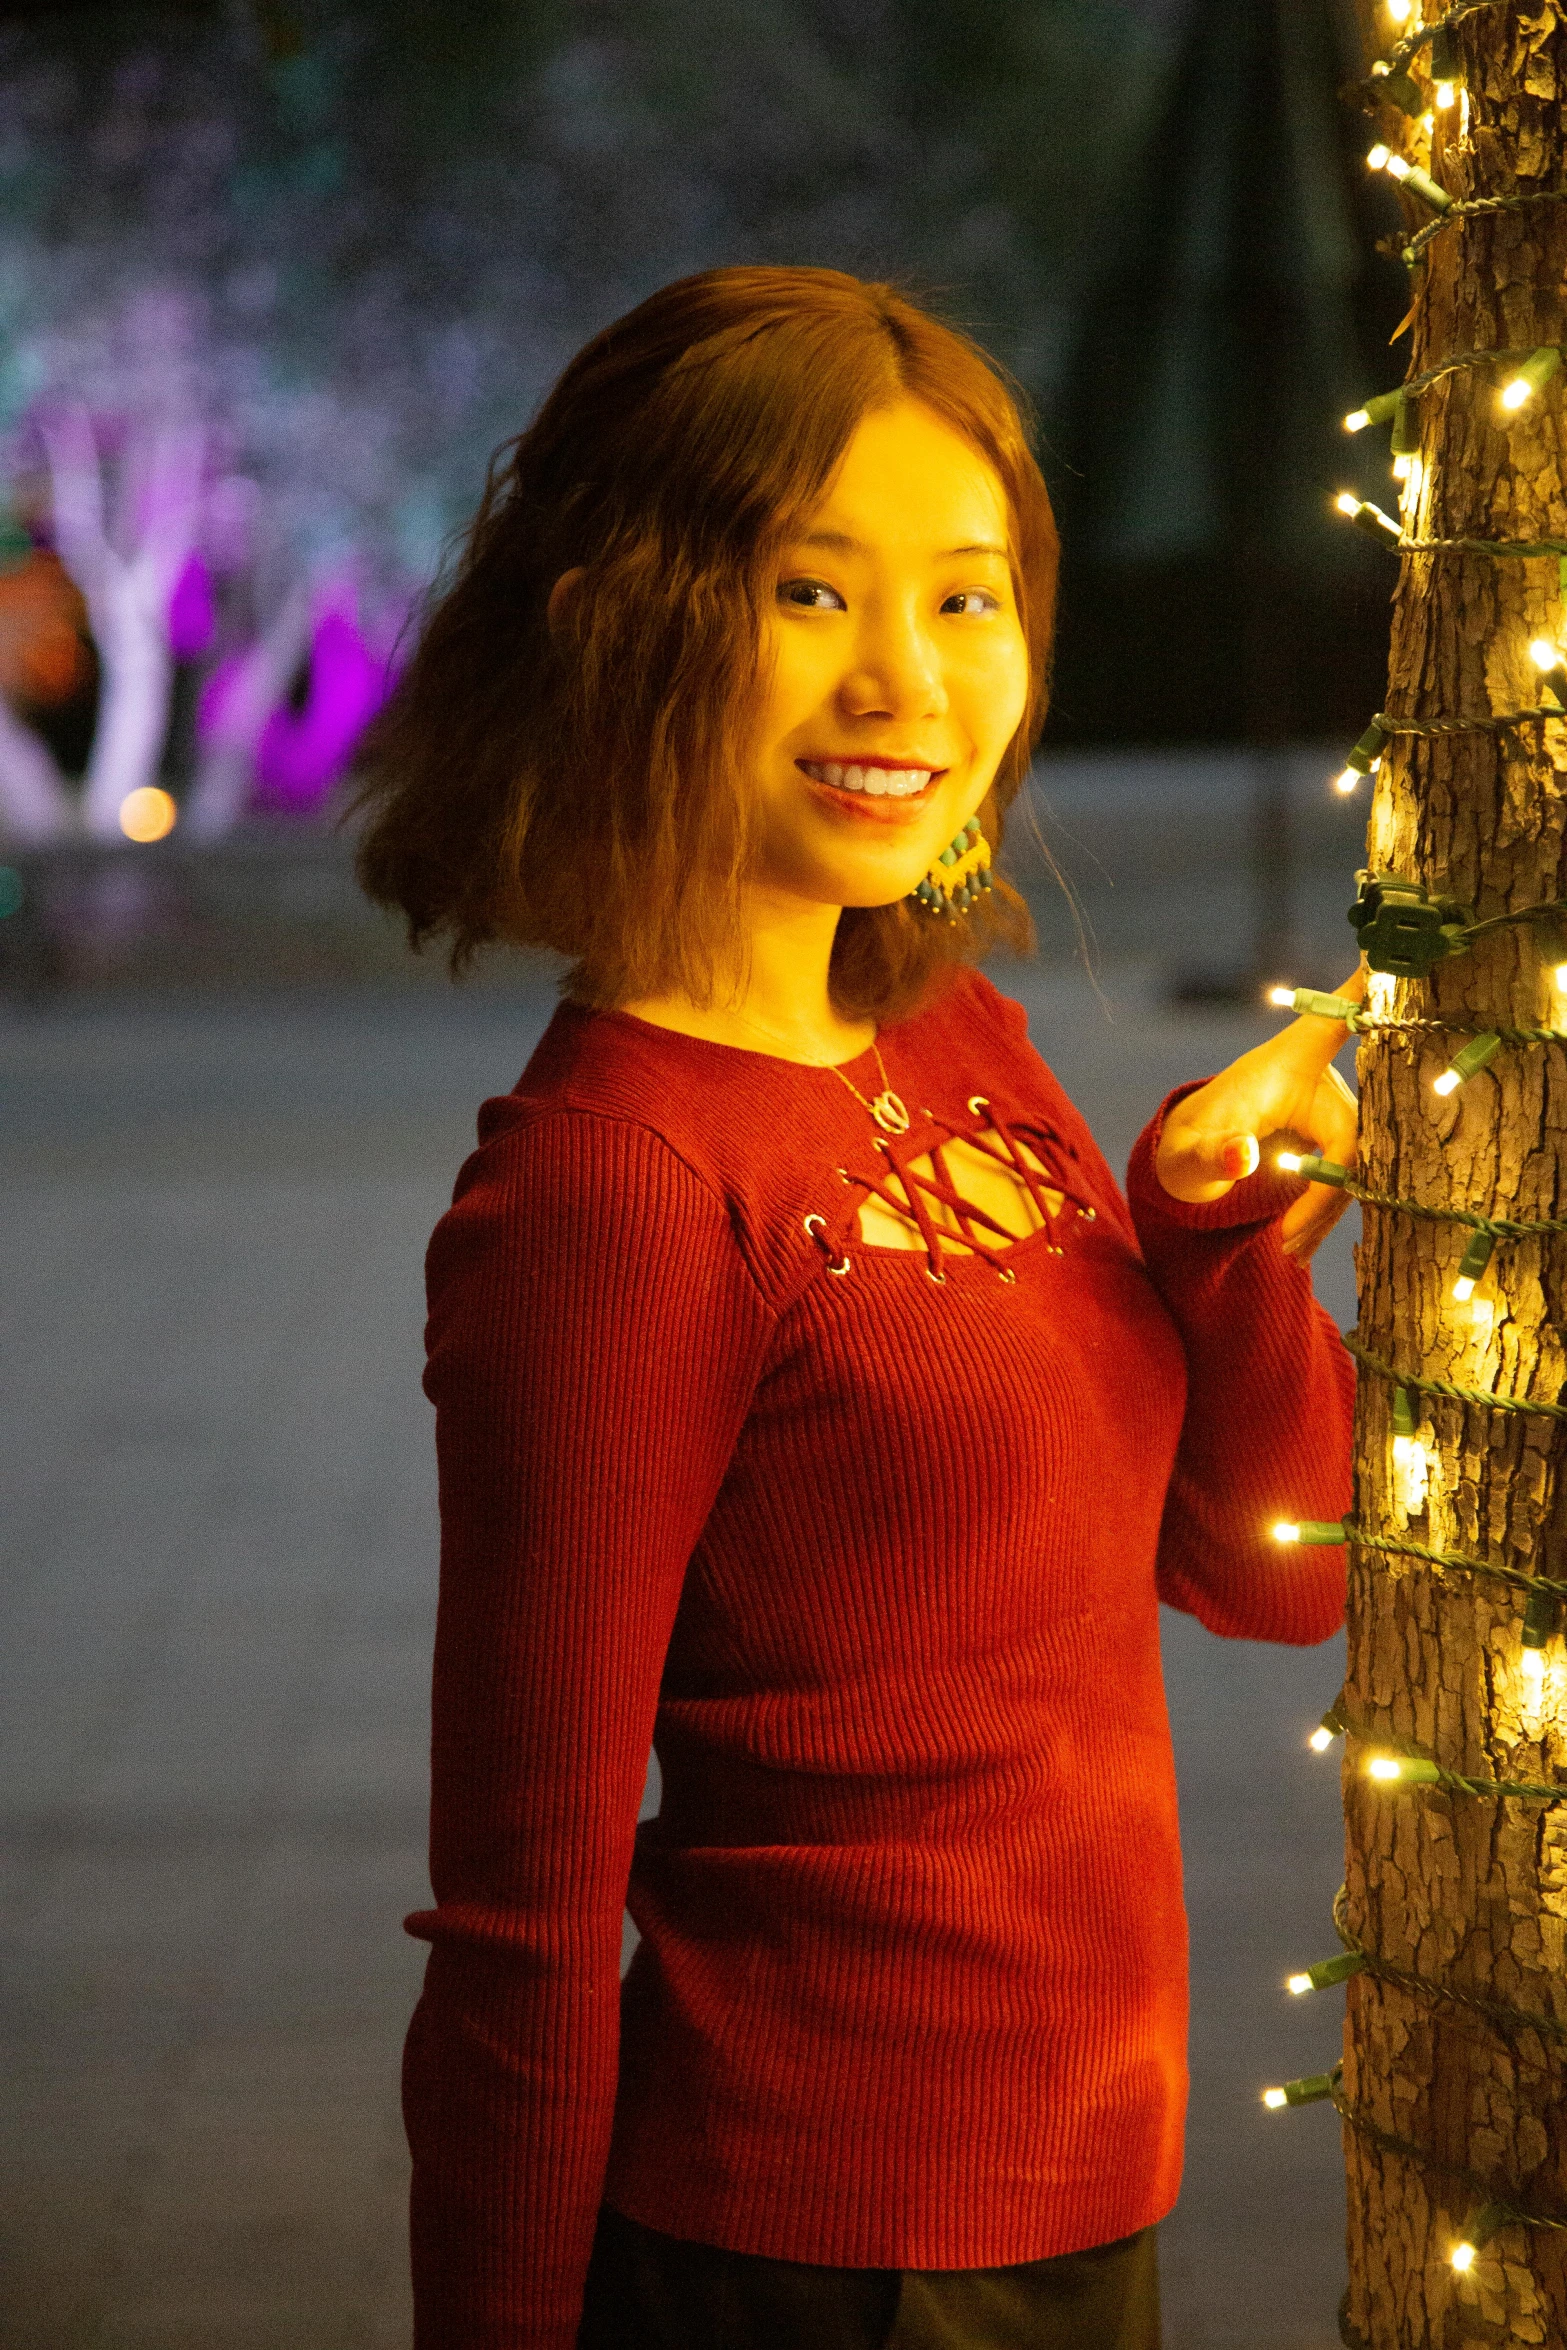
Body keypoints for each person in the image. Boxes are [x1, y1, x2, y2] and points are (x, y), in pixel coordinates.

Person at [354, 265, 1357, 2350]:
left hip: (1083, 2193)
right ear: (621, 614)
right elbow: (519, 1919)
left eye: (968, 596)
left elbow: (1274, 1571)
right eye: (813, 594)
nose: (907, 680)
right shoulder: (616, 1185)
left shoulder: (954, 1036)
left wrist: (1206, 1236)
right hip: (819, 2255)